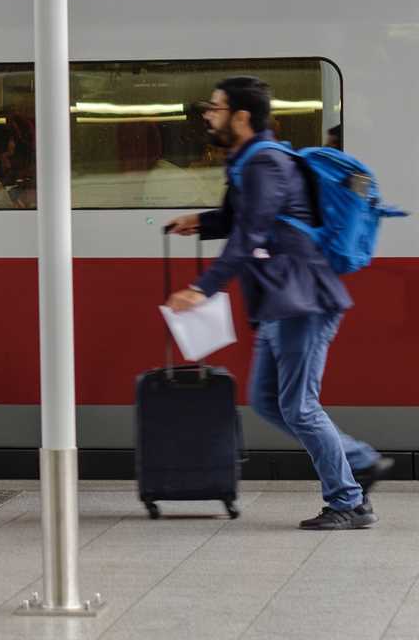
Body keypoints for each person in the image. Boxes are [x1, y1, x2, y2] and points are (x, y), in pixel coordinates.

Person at [164, 76, 393, 530]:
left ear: (242, 117)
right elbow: (241, 220)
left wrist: (203, 287)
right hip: (281, 300)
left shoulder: (264, 164)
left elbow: (250, 234)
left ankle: (349, 500)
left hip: (303, 299)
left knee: (300, 407)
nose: (208, 114)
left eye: (215, 107)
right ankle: (359, 461)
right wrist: (203, 222)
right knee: (269, 402)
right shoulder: (248, 160)